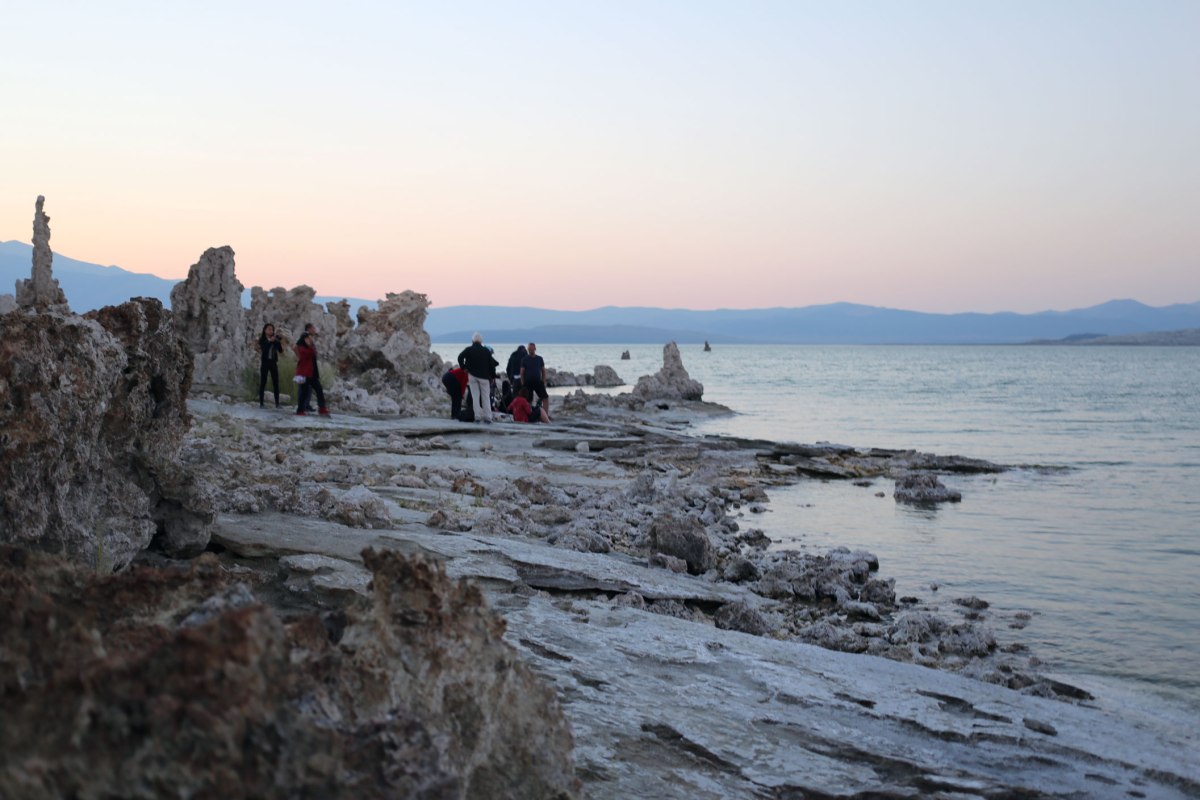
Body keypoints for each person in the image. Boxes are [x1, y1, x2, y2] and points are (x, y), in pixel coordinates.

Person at [457, 332, 498, 424]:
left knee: (475, 396)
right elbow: (491, 365)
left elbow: (460, 357)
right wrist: (492, 376)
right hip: (484, 377)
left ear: (472, 341)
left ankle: (477, 417)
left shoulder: (469, 349)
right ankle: (488, 417)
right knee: (485, 397)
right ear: (481, 341)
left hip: (472, 376)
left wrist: (464, 368)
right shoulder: (486, 351)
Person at [293, 325, 329, 416]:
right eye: (308, 339)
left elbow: (313, 353)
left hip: (312, 373)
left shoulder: (309, 347)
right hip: (304, 373)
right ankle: (300, 410)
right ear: (304, 339)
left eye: (310, 339)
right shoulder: (302, 348)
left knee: (319, 389)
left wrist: (311, 345)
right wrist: (310, 346)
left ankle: (322, 408)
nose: (310, 340)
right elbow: (308, 353)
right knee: (304, 392)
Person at [519, 342, 550, 419]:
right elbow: (522, 372)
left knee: (545, 398)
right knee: (528, 400)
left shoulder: (539, 359)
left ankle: (545, 415)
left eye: (532, 349)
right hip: (528, 383)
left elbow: (543, 370)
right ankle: (528, 415)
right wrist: (523, 384)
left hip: (538, 382)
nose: (531, 351)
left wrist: (543, 381)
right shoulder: (524, 359)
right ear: (528, 349)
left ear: (535, 349)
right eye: (529, 349)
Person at [257, 323, 284, 408]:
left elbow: (280, 350)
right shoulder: (262, 339)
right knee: (263, 382)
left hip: (273, 362)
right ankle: (261, 403)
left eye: (272, 329)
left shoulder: (274, 339)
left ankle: (277, 403)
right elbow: (264, 349)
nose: (271, 331)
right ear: (265, 330)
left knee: (276, 382)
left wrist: (277, 341)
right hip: (265, 362)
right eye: (269, 329)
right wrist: (269, 341)